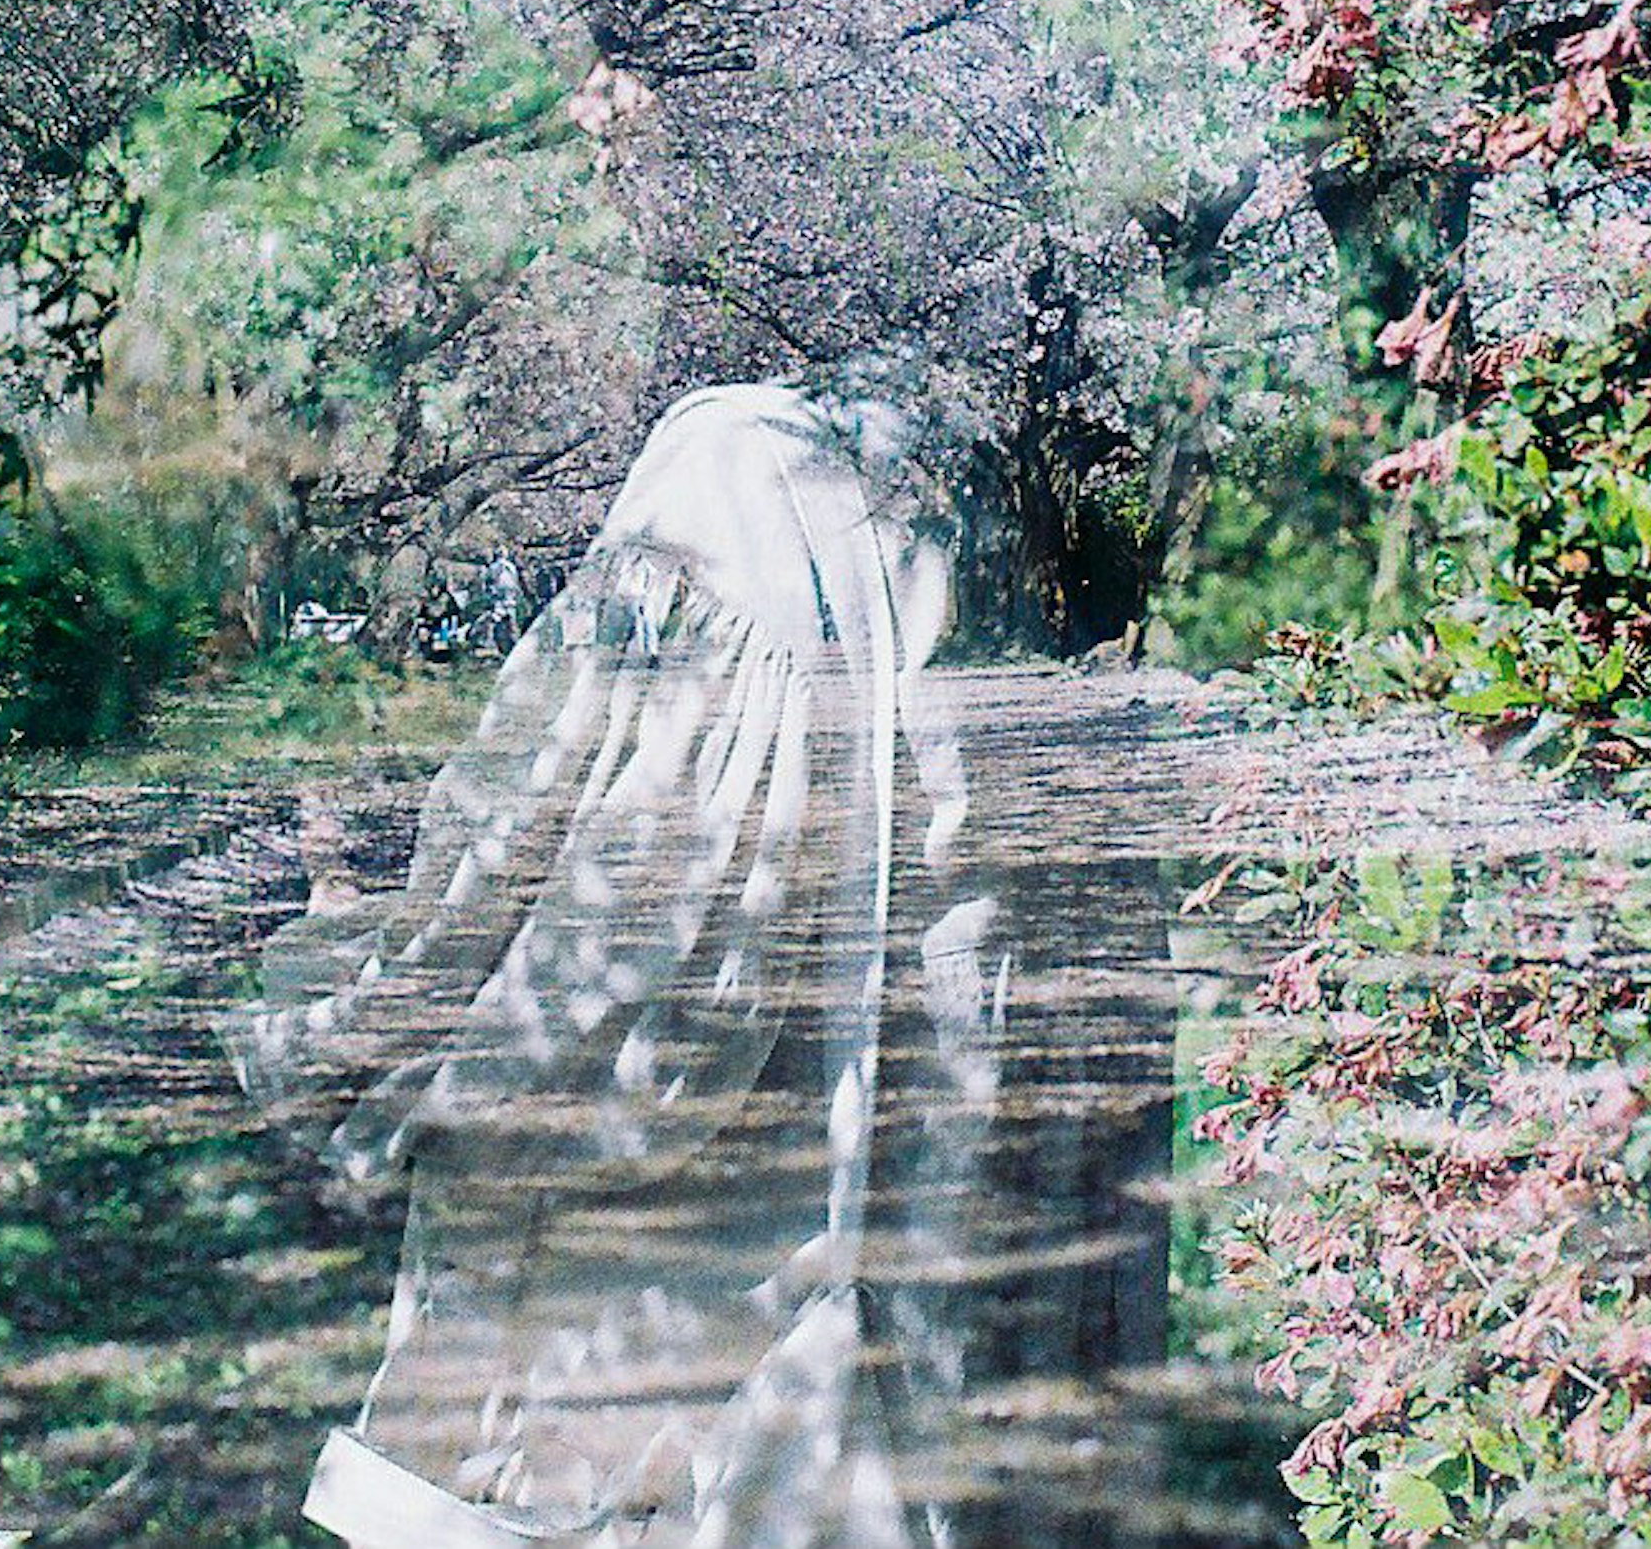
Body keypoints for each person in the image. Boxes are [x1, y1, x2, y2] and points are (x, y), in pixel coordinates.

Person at [232, 382, 1171, 1549]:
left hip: (684, 1278)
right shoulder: (1032, 530)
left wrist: (377, 1010)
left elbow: (569, 842)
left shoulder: (738, 472)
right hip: (934, 1289)